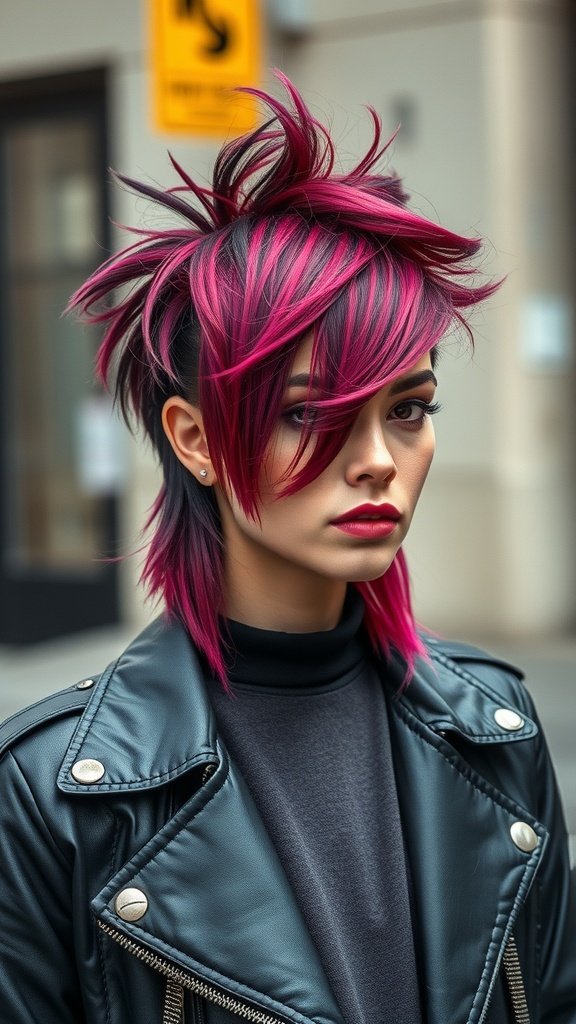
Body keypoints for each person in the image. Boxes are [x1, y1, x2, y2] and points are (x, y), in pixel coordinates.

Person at [0, 73, 574, 1024]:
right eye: (312, 414)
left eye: (410, 410)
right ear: (193, 440)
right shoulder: (58, 796)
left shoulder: (497, 726)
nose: (380, 462)